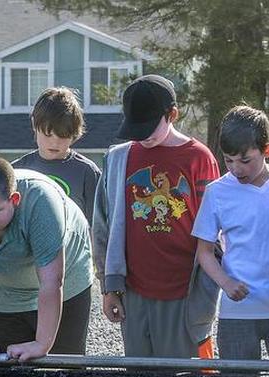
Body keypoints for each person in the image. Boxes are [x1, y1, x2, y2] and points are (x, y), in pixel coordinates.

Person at [93, 74, 220, 359]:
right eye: (134, 128)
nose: (142, 136)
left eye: (148, 128)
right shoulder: (117, 159)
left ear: (172, 114)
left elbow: (216, 230)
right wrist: (108, 286)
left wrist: (210, 291)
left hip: (185, 294)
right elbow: (102, 226)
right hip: (134, 292)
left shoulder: (199, 158)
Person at [192, 106, 269, 361]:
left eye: (245, 160)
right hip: (237, 311)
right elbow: (204, 252)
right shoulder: (217, 191)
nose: (236, 168)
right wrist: (226, 283)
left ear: (267, 150)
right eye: (228, 160)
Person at [0, 156, 94, 363]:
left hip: (67, 279)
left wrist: (42, 344)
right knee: (11, 369)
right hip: (3, 288)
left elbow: (52, 281)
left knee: (65, 367)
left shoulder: (42, 202)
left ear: (14, 200)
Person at [12, 87, 101, 225]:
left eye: (63, 136)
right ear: (34, 124)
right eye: (48, 134)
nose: (55, 142)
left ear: (74, 134)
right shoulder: (17, 171)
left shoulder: (88, 172)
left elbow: (96, 227)